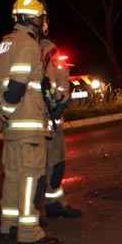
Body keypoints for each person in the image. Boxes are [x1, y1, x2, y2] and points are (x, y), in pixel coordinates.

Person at [0, 0, 59, 244]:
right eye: (41, 17)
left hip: (11, 128)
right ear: (34, 19)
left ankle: (8, 224)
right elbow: (17, 86)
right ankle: (29, 232)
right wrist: (6, 111)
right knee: (30, 176)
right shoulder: (28, 45)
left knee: (13, 175)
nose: (43, 22)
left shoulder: (4, 44)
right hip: (26, 123)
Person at [39, 35, 82, 218]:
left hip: (45, 117)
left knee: (53, 164)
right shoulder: (39, 49)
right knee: (46, 166)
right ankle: (38, 210)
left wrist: (60, 103)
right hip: (42, 118)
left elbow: (60, 82)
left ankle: (53, 203)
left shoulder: (47, 50)